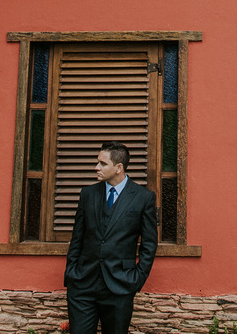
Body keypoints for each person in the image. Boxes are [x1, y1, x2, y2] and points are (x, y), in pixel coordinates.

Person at [64, 141, 158, 334]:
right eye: (97, 162)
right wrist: (72, 271)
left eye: (102, 163)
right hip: (83, 284)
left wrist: (137, 278)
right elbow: (77, 238)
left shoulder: (143, 198)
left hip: (120, 286)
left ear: (118, 168)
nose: (96, 167)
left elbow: (149, 244)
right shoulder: (88, 194)